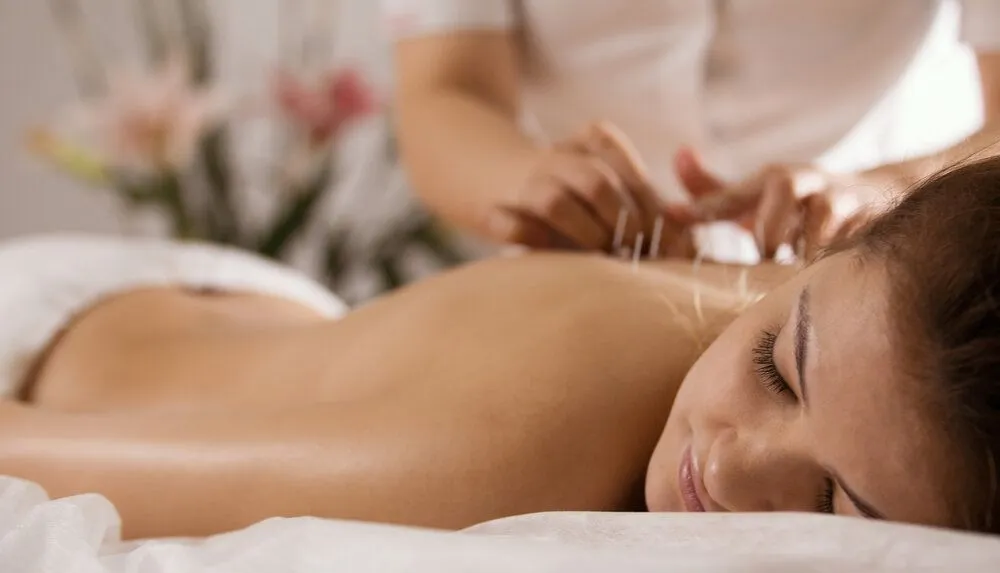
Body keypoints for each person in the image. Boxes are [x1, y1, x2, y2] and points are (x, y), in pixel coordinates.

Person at [1, 157, 1000, 540]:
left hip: (269, 317)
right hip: (53, 331)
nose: (735, 467)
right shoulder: (499, 452)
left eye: (835, 503)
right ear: (833, 246)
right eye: (778, 364)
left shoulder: (844, 309)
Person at [384, 0, 1000, 261]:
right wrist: (529, 181)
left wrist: (886, 193)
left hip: (875, 249)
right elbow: (447, 92)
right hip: (580, 267)